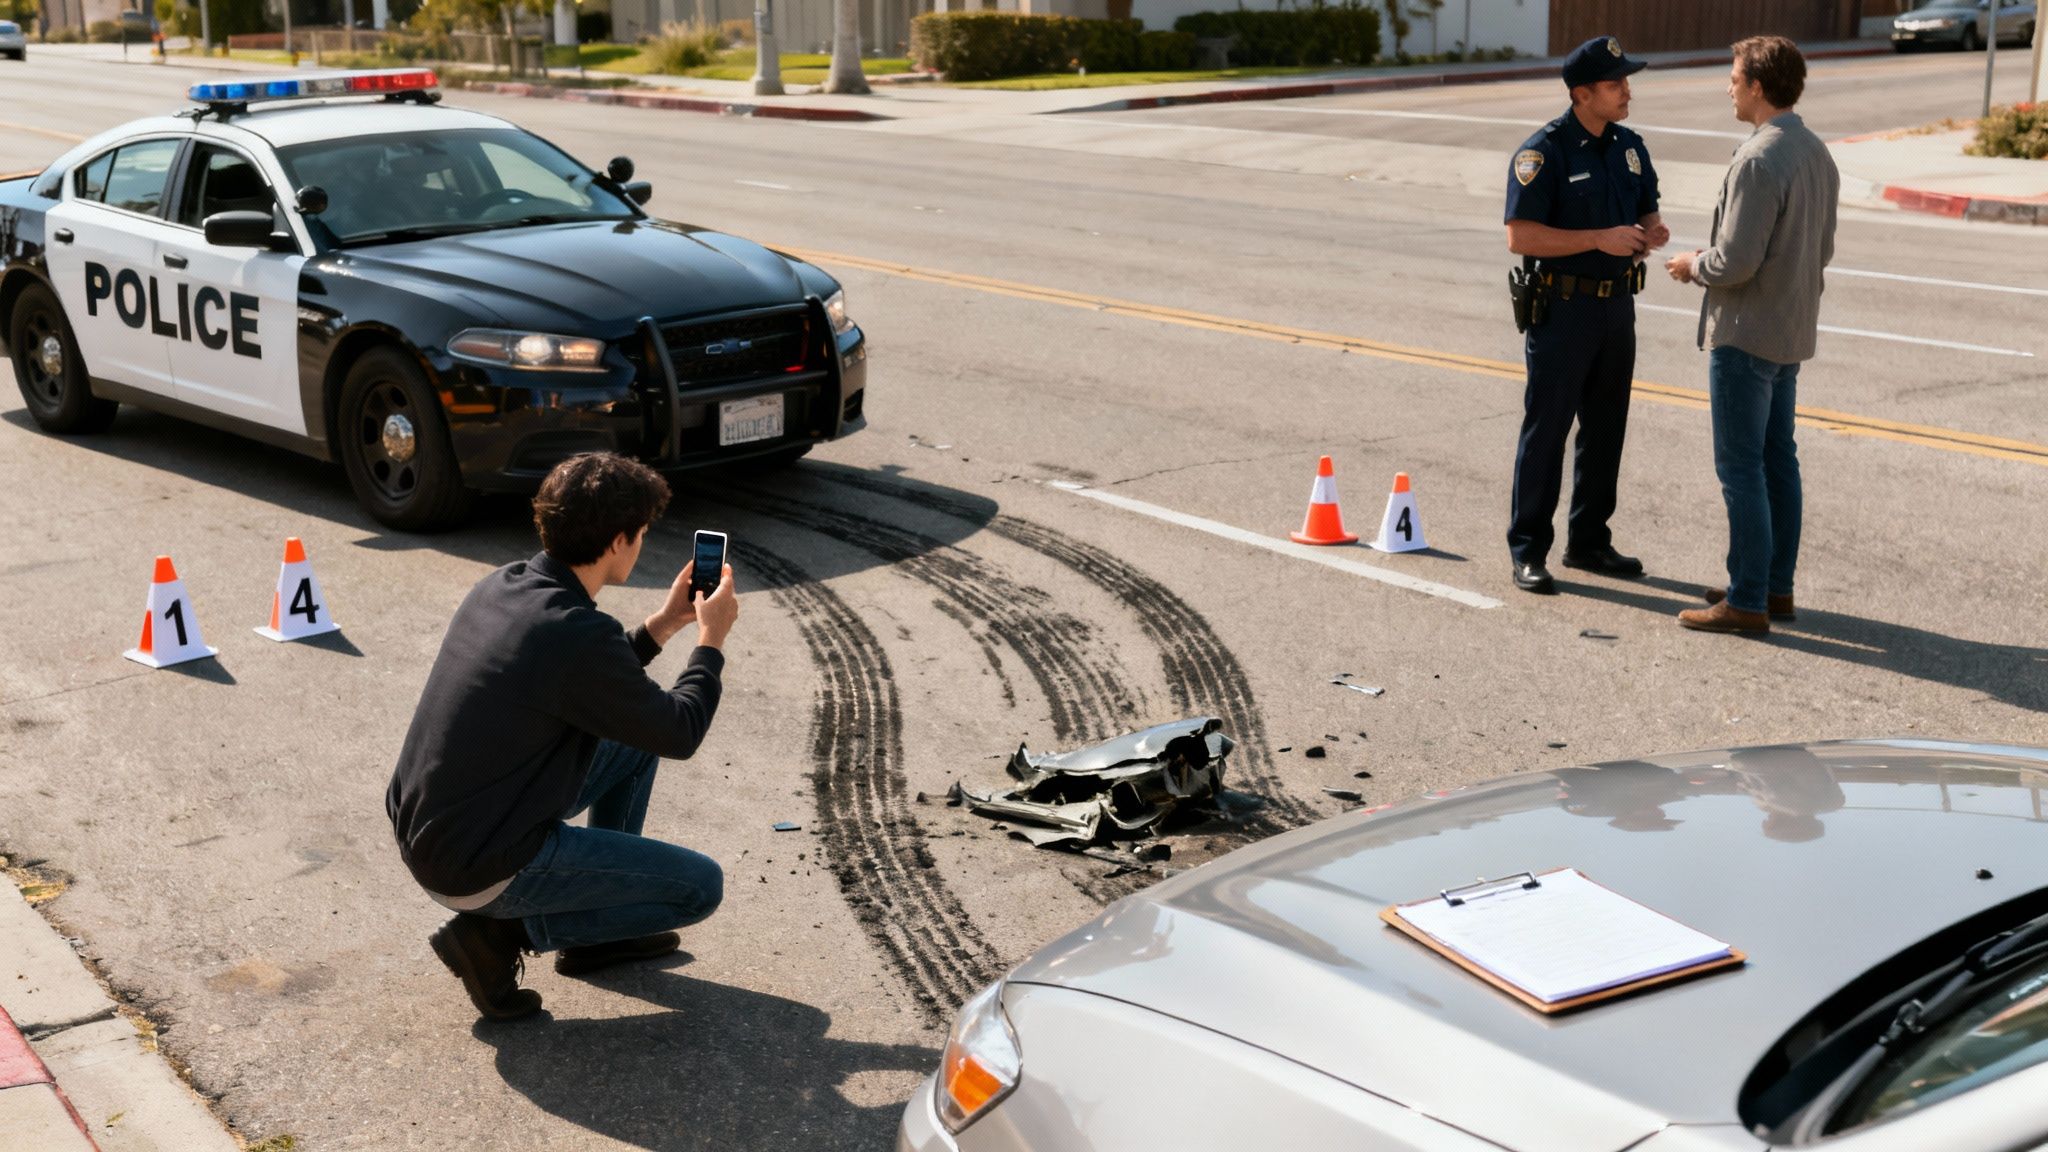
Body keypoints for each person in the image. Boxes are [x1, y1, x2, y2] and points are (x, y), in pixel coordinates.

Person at [386, 452, 738, 1020]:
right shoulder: (577, 635)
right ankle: (496, 937)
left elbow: (594, 682)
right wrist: (710, 641)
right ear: (620, 541)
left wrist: (665, 624)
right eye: (643, 533)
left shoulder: (506, 585)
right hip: (478, 866)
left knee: (635, 738)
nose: (643, 544)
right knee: (699, 888)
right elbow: (680, 729)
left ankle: (597, 937)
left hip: (441, 828)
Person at [1665, 36, 1838, 634]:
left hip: (1745, 333)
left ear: (1759, 86)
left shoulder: (1759, 159)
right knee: (1776, 461)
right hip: (1790, 329)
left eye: (1735, 77)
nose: (1729, 86)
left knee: (1741, 467)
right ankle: (1774, 586)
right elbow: (1824, 248)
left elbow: (1736, 261)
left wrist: (1692, 264)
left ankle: (1746, 600)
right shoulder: (1815, 152)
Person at [1503, 36, 1669, 595]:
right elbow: (1520, 235)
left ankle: (1589, 541)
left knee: (1605, 429)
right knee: (1547, 430)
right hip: (1563, 308)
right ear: (1581, 94)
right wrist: (1599, 236)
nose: (1627, 91)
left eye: (1626, 81)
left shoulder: (1628, 146)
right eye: (1615, 83)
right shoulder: (1543, 153)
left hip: (1616, 307)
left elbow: (1646, 205)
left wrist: (1652, 230)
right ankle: (1528, 548)